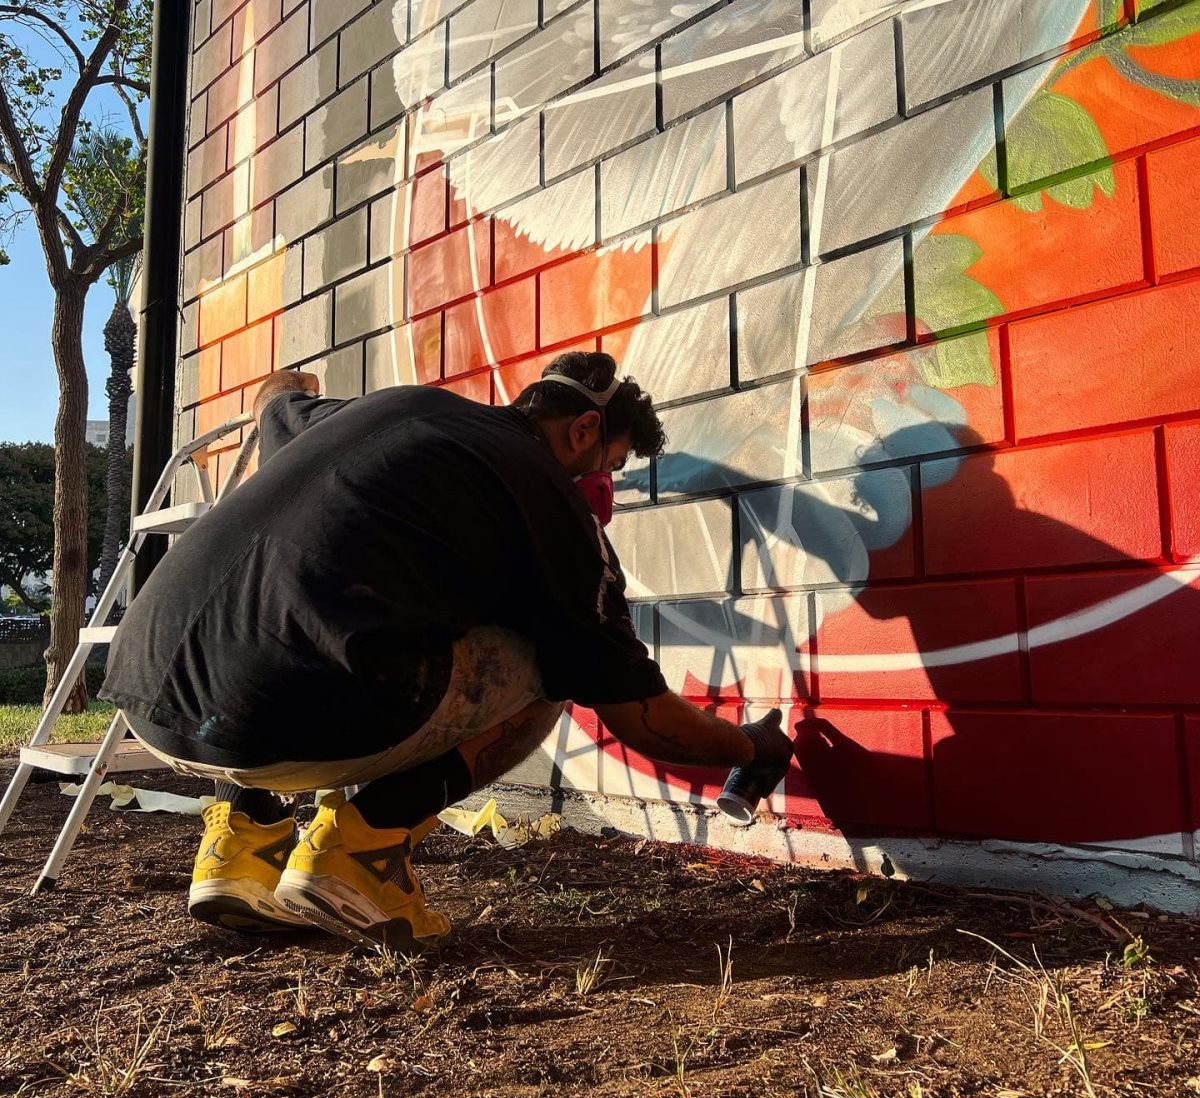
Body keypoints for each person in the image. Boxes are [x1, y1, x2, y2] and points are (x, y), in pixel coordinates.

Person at [100, 352, 794, 951]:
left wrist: (292, 383)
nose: (602, 483)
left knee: (279, 612)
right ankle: (359, 852)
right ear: (584, 429)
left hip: (150, 700)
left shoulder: (395, 410)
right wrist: (752, 748)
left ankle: (239, 849)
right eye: (608, 464)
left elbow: (276, 400)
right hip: (282, 723)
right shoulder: (548, 496)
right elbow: (642, 719)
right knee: (555, 663)